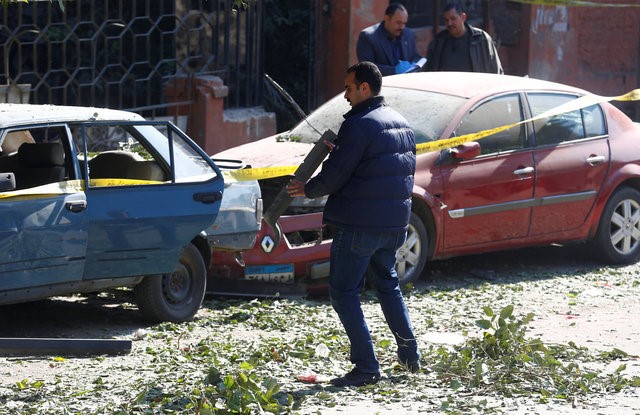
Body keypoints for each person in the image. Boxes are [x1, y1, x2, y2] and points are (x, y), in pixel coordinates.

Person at [286, 61, 420, 387]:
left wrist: (308, 188)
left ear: (364, 87)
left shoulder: (360, 124)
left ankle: (366, 366)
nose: (345, 96)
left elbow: (337, 174)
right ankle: (409, 355)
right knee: (388, 285)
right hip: (395, 226)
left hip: (359, 225)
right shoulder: (401, 123)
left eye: (348, 88)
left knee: (344, 292)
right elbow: (375, 167)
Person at [425, 2, 503, 74]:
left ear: (463, 17)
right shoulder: (438, 41)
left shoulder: (481, 39)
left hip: (474, 87)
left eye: (453, 18)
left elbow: (496, 70)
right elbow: (428, 70)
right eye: (446, 20)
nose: (449, 23)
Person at [356, 3, 423, 76]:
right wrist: (394, 70)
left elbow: (415, 56)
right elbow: (366, 67)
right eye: (398, 22)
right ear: (387, 18)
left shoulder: (408, 34)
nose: (402, 27)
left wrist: (414, 65)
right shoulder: (368, 36)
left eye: (404, 23)